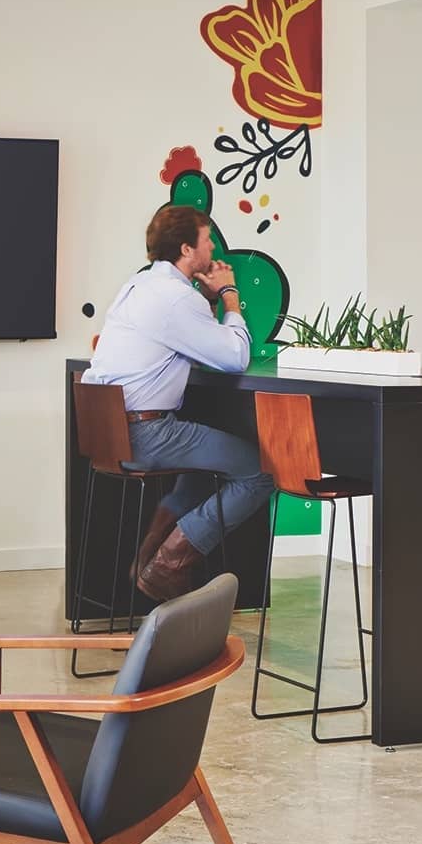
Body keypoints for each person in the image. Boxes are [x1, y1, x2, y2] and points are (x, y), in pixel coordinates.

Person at [83, 203, 274, 603]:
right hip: (146, 431)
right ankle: (168, 564)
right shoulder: (174, 298)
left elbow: (187, 336)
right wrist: (229, 296)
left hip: (110, 431)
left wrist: (205, 298)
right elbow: (234, 357)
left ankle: (148, 559)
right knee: (261, 472)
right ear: (188, 250)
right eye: (208, 241)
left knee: (203, 474)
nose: (213, 250)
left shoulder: (138, 287)